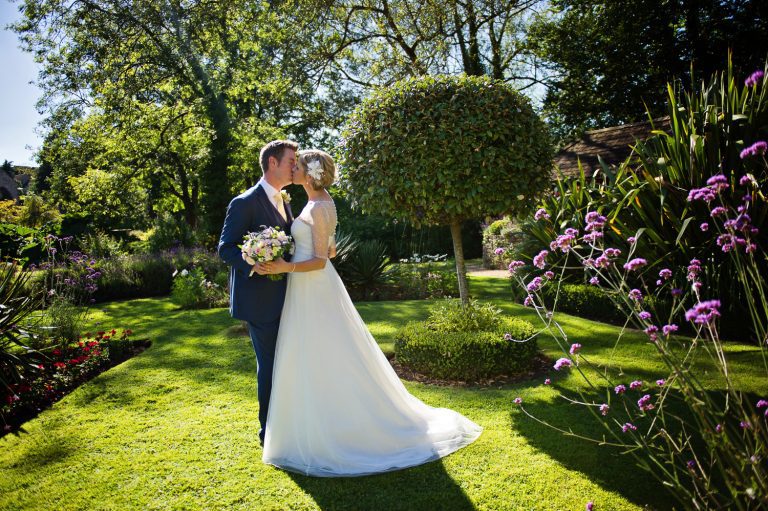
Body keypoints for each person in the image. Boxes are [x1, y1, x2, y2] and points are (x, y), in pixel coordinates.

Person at [260, 149, 482, 477]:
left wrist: (283, 265)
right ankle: (312, 422)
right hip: (306, 288)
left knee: (324, 352)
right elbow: (330, 249)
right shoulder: (315, 202)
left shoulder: (320, 205)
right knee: (311, 354)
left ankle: (338, 427)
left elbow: (321, 260)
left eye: (297, 165)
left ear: (309, 173)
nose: (292, 169)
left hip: (314, 285)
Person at [217, 139, 298, 445]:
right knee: (270, 364)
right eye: (291, 160)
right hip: (260, 302)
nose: (296, 165)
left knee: (286, 362)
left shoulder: (285, 199)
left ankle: (286, 422)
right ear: (273, 163)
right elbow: (225, 247)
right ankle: (269, 432)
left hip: (287, 296)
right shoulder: (245, 202)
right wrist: (253, 262)